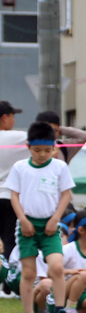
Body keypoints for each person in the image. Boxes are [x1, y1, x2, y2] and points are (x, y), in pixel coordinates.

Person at [9, 122, 74, 313]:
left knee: (56, 267)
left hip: (51, 226)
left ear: (54, 147)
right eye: (37, 150)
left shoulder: (59, 167)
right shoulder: (20, 167)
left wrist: (55, 219)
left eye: (48, 150)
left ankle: (60, 312)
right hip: (27, 225)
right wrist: (24, 220)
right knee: (28, 273)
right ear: (28, 147)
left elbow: (66, 194)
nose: (43, 154)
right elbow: (14, 196)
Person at [0, 100, 28, 262]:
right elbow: (44, 135)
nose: (14, 121)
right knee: (10, 241)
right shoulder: (17, 138)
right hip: (10, 198)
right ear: (4, 117)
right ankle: (8, 283)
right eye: (12, 116)